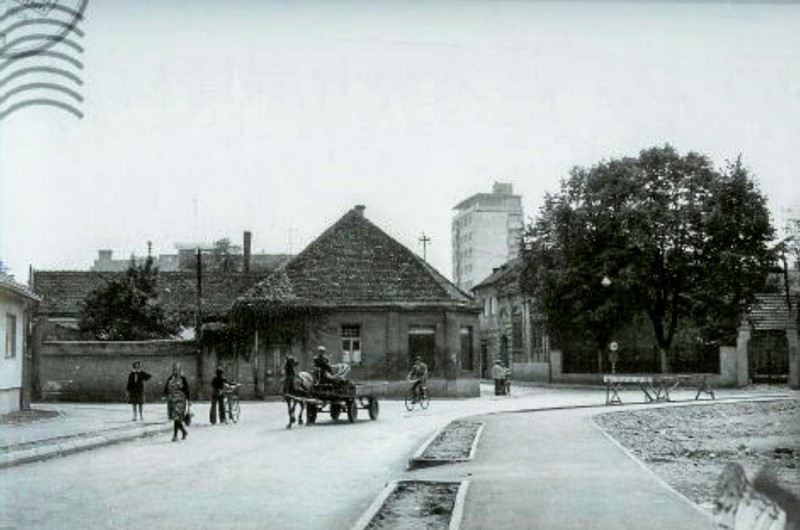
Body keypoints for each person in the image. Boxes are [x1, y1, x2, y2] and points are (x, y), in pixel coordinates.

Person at [163, 363, 190, 442]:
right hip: (171, 400)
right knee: (175, 418)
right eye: (174, 369)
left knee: (176, 417)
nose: (175, 370)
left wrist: (189, 400)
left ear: (180, 369)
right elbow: (165, 389)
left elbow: (187, 390)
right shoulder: (170, 378)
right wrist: (165, 394)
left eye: (177, 369)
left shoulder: (183, 378)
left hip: (180, 400)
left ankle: (175, 436)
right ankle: (184, 431)